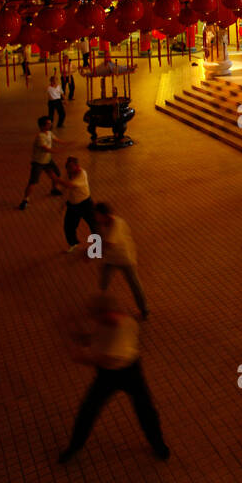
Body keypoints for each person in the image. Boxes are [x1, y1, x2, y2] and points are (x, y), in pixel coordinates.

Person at [58, 294, 169, 463]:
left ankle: (75, 446)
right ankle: (158, 445)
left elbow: (99, 358)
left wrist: (78, 355)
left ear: (106, 313)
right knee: (143, 410)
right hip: (131, 369)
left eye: (97, 315)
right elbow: (97, 337)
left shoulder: (114, 340)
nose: (95, 319)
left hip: (116, 375)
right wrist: (82, 336)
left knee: (141, 411)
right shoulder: (125, 320)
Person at [93, 202, 149, 319]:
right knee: (104, 280)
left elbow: (109, 243)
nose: (95, 217)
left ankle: (144, 309)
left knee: (134, 283)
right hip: (110, 259)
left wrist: (91, 253)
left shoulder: (117, 224)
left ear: (105, 215)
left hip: (124, 259)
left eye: (97, 215)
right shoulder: (102, 224)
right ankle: (102, 304)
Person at [20, 116, 63, 208]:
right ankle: (25, 199)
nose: (50, 125)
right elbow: (45, 148)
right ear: (42, 126)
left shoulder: (49, 133)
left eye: (50, 123)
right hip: (38, 162)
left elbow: (56, 140)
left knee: (57, 173)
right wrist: (58, 151)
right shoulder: (40, 137)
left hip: (47, 160)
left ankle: (54, 189)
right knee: (33, 181)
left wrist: (67, 143)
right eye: (48, 123)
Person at [59, 157, 98, 252]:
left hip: (85, 204)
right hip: (73, 205)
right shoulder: (68, 175)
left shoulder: (82, 173)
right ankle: (73, 243)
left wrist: (56, 179)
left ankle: (98, 246)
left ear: (77, 166)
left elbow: (71, 185)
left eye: (71, 166)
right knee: (68, 225)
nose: (68, 169)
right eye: (67, 167)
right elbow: (67, 190)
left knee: (93, 224)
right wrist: (63, 203)